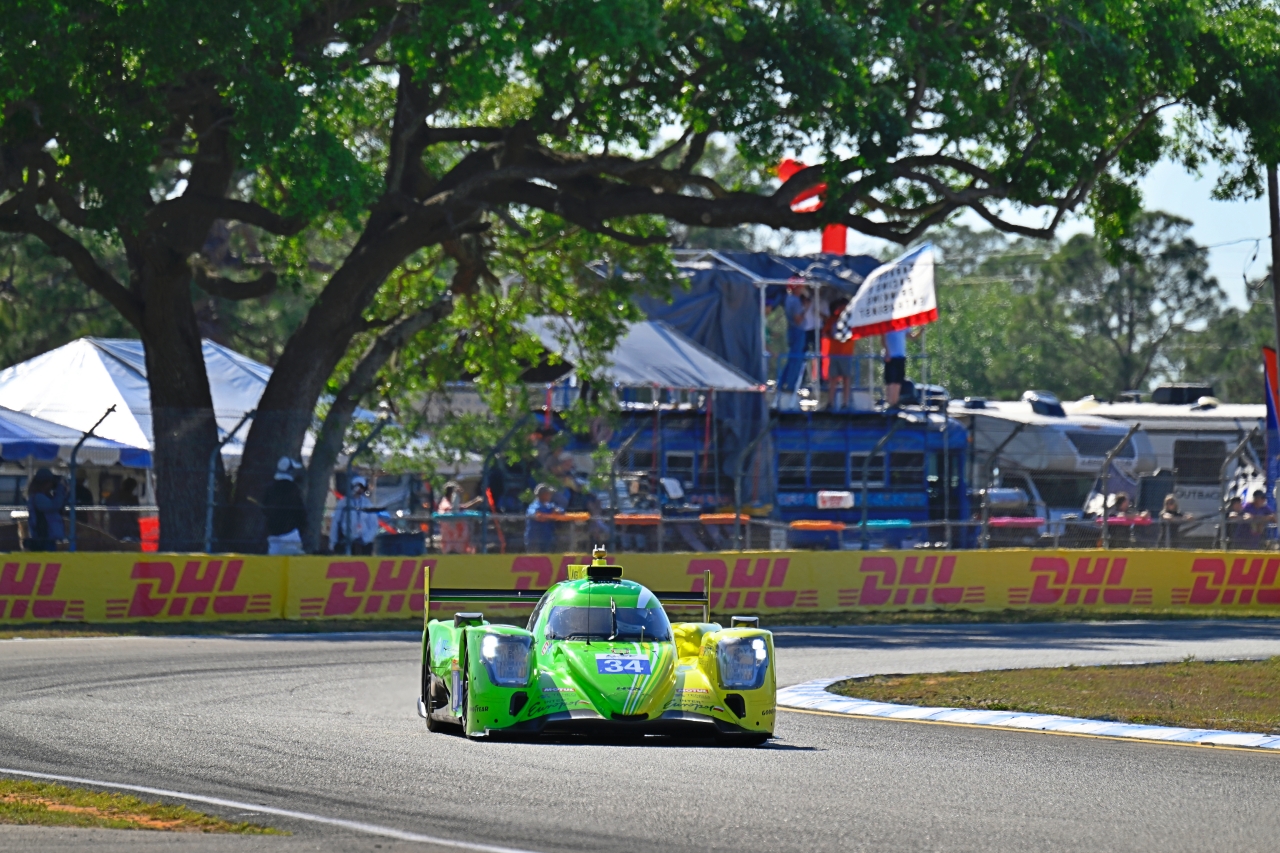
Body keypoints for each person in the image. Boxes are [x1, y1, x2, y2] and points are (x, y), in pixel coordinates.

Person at [263, 457, 307, 555]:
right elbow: (299, 511)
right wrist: (303, 526)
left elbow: (265, 509)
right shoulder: (292, 489)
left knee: (273, 562)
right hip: (290, 533)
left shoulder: (270, 488)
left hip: (273, 533)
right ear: (290, 471)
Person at [776, 285, 810, 410]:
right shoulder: (795, 301)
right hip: (797, 331)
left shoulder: (788, 299)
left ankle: (781, 382)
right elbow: (798, 319)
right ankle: (791, 385)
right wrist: (806, 308)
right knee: (796, 359)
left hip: (792, 331)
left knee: (792, 358)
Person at [329, 474, 381, 554]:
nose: (359, 489)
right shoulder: (343, 503)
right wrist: (333, 543)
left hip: (363, 543)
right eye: (357, 486)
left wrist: (365, 539)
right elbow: (335, 522)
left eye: (361, 487)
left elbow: (374, 525)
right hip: (346, 542)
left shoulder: (367, 504)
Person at [823, 298, 855, 410]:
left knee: (846, 378)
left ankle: (845, 403)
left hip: (846, 354)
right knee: (833, 379)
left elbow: (854, 334)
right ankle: (830, 403)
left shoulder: (852, 320)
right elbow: (826, 333)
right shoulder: (832, 320)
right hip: (834, 354)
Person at [25, 468, 68, 551]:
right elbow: (54, 506)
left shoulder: (44, 496)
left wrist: (63, 492)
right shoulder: (38, 497)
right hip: (44, 539)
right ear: (44, 483)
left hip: (50, 539)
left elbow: (59, 505)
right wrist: (60, 489)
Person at [436, 481, 481, 554]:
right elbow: (454, 509)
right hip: (450, 535)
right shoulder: (445, 503)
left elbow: (461, 507)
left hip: (458, 535)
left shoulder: (452, 502)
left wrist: (474, 502)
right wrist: (474, 501)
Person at [524, 483, 563, 553]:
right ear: (542, 495)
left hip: (547, 538)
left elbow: (561, 511)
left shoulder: (550, 505)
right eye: (548, 494)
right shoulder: (534, 506)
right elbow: (533, 514)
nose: (550, 495)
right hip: (535, 540)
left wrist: (557, 511)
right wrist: (543, 516)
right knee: (533, 558)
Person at [106, 477, 141, 542]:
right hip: (128, 529)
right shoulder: (132, 499)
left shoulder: (112, 496)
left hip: (115, 527)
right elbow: (136, 515)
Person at [883, 329, 907, 408]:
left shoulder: (904, 325)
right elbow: (883, 339)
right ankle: (889, 402)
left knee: (898, 380)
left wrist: (920, 330)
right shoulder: (887, 324)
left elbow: (911, 336)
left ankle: (895, 402)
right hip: (891, 357)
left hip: (901, 356)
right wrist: (887, 352)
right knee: (890, 380)